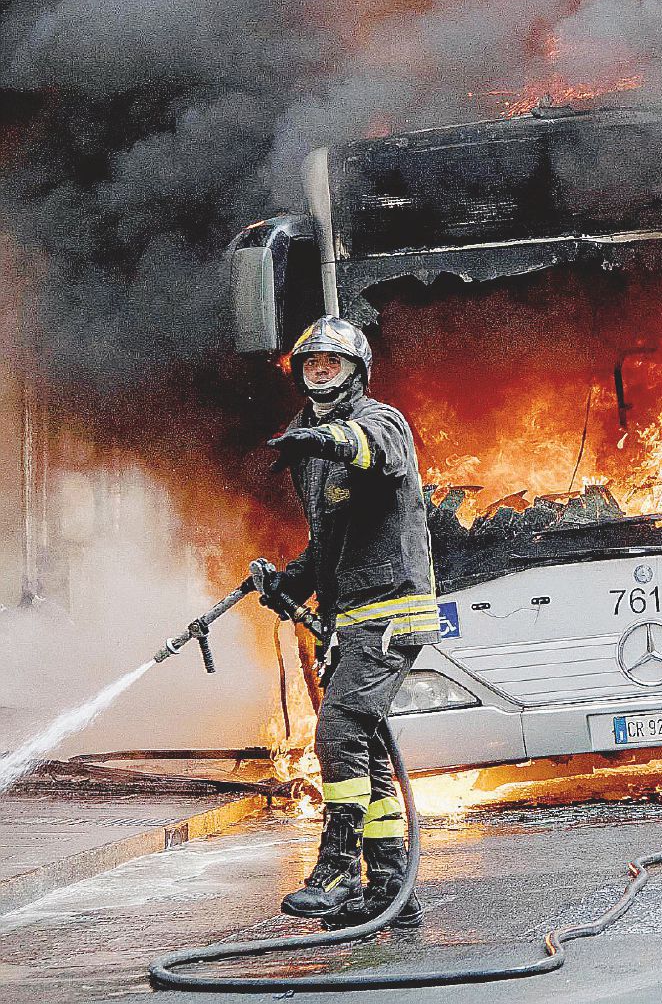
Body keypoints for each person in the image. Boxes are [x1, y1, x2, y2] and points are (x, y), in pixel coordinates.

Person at [251, 315, 439, 927]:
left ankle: (336, 869)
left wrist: (323, 441)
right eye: (312, 364)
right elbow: (327, 539)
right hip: (349, 617)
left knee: (337, 731)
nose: (321, 372)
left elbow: (369, 450)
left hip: (391, 610)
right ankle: (388, 884)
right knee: (366, 745)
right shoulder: (306, 436)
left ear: (356, 371)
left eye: (333, 363)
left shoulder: (382, 421)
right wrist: (287, 581)